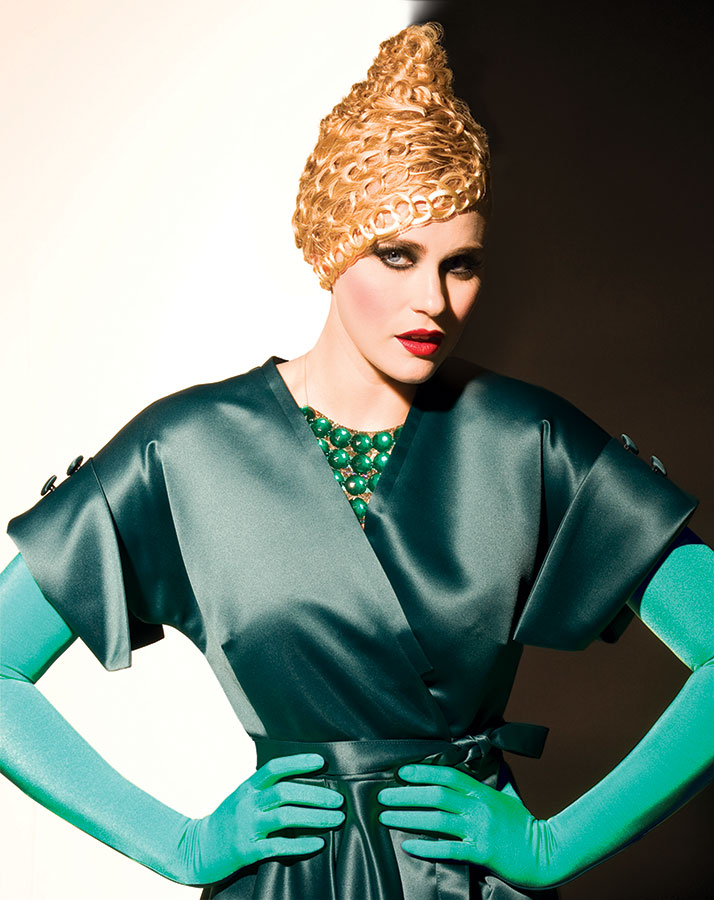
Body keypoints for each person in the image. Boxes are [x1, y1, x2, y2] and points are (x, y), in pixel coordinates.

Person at [1, 22, 712, 900]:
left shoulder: (527, 439)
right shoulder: (186, 449)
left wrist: (552, 846)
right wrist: (181, 845)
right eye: (397, 255)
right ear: (334, 245)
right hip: (284, 880)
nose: (433, 301)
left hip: (469, 883)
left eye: (462, 265)